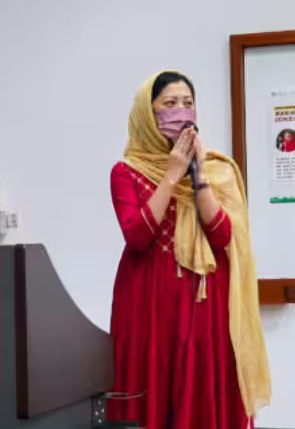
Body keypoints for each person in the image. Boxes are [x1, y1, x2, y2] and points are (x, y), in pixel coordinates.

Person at [107, 71, 271, 429]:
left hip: (206, 306)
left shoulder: (218, 169)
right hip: (148, 303)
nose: (181, 112)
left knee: (202, 396)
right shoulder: (126, 172)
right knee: (151, 393)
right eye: (170, 104)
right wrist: (171, 175)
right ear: (147, 114)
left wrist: (198, 176)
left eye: (188, 103)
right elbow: (137, 236)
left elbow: (223, 236)